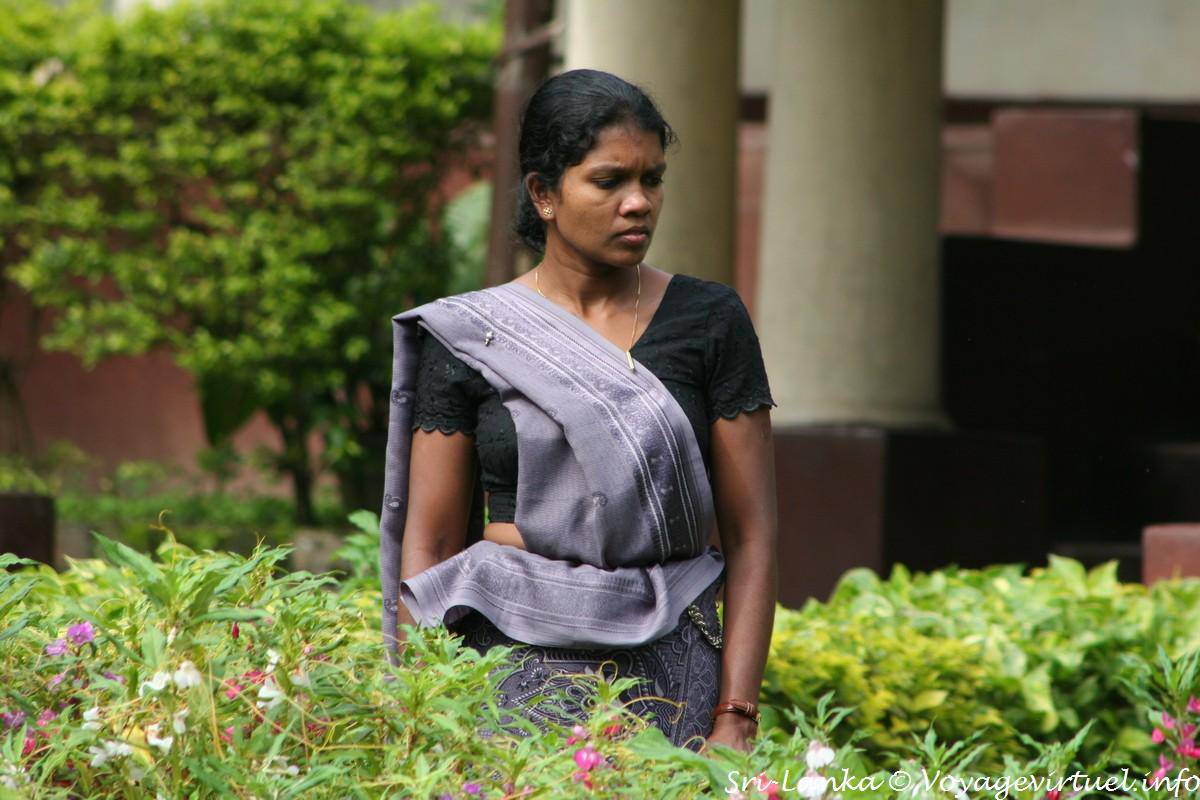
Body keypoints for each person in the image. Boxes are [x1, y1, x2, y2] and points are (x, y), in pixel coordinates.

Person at [379, 69, 778, 754]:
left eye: (652, 180)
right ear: (544, 194)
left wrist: (736, 714)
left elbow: (751, 537)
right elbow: (432, 548)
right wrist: (421, 716)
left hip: (671, 673)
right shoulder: (475, 336)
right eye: (609, 181)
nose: (638, 203)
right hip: (502, 672)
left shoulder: (709, 320)